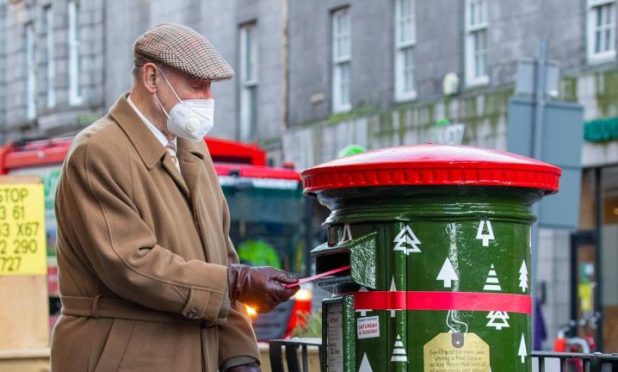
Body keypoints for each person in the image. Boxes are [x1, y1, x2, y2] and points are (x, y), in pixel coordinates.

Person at [51, 23, 299, 372]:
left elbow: (221, 257)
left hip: (192, 354)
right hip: (123, 356)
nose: (207, 99)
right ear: (152, 79)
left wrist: (239, 356)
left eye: (210, 87)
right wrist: (235, 282)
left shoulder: (193, 150)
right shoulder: (97, 152)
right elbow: (130, 265)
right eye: (196, 85)